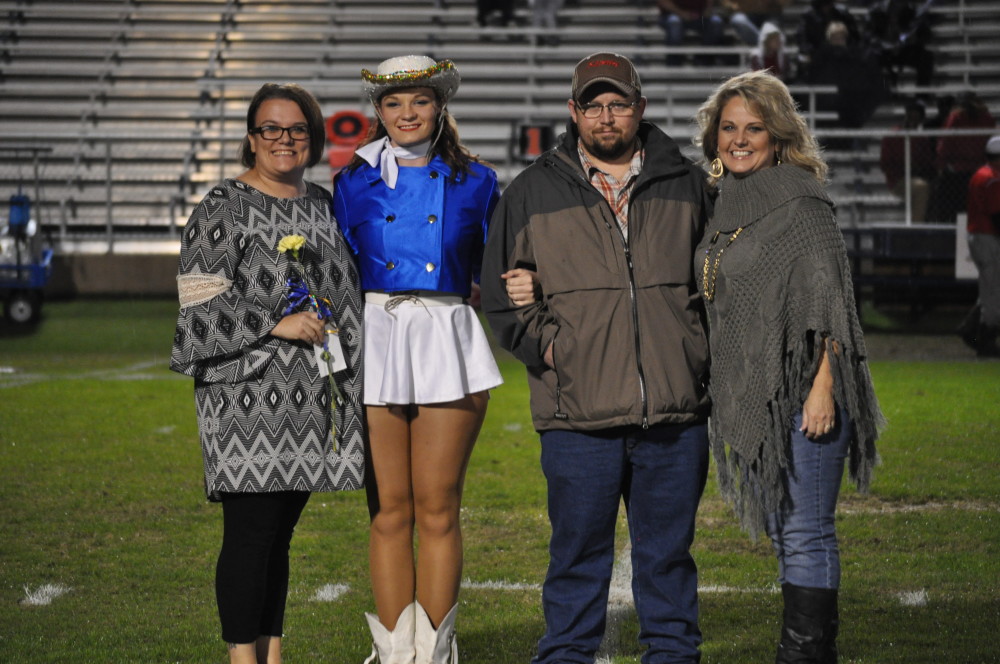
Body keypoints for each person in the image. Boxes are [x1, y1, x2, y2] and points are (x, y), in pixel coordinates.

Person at [482, 52, 713, 664]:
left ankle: (671, 654)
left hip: (674, 414)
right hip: (576, 414)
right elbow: (502, 297)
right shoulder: (532, 189)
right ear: (573, 112)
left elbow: (719, 286)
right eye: (594, 105)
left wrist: (697, 358)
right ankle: (565, 655)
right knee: (577, 556)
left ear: (639, 107)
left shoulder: (689, 184)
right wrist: (554, 349)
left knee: (668, 556)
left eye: (619, 104)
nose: (606, 117)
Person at [170, 83, 366, 664]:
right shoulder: (223, 206)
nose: (284, 140)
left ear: (313, 137)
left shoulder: (323, 205)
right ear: (251, 139)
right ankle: (241, 658)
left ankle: (271, 653)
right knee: (251, 535)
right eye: (271, 130)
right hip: (247, 399)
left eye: (297, 129)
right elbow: (196, 301)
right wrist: (274, 322)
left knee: (279, 536)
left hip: (312, 397)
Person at [693, 70, 884, 663]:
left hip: (808, 392)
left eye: (754, 128)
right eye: (729, 127)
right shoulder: (720, 202)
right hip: (762, 392)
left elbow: (830, 304)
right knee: (785, 532)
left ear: (778, 135)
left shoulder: (801, 201)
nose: (740, 139)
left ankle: (803, 654)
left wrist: (822, 387)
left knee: (805, 532)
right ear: (714, 136)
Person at [332, 55, 504, 664]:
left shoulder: (479, 181)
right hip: (375, 337)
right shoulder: (350, 180)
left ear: (440, 106)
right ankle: (392, 651)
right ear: (377, 112)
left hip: (444, 334)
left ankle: (435, 651)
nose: (407, 114)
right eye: (393, 103)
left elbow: (498, 269)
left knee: (437, 507)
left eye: (419, 101)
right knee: (387, 511)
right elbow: (338, 273)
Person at [958, 135, 1000, 356]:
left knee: (989, 286)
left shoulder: (981, 174)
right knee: (993, 289)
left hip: (978, 235)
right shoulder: (992, 178)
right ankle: (985, 338)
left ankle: (970, 327)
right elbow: (997, 215)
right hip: (987, 236)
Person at [931, 92, 997, 223]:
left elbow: (945, 142)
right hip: (979, 168)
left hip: (957, 169)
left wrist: (941, 163)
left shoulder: (956, 116)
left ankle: (949, 229)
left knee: (951, 204)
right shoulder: (986, 117)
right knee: (973, 205)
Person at [879, 99, 935, 222]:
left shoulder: (922, 138)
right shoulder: (894, 135)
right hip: (898, 180)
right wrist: (905, 167)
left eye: (918, 115)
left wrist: (920, 169)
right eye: (912, 114)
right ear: (907, 115)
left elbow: (928, 162)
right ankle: (915, 229)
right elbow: (885, 164)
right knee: (922, 187)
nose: (914, 118)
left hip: (918, 176)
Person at [656, 0, 725, 66]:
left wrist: (707, 9)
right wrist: (682, 13)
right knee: (674, 22)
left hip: (698, 15)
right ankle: (674, 60)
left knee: (716, 22)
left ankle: (704, 58)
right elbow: (663, 1)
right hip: (672, 14)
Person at [724, 0, 792, 47]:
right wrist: (735, 7)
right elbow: (726, 3)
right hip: (746, 13)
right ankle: (766, 46)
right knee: (738, 20)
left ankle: (767, 46)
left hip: (771, 13)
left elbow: (785, 2)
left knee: (772, 29)